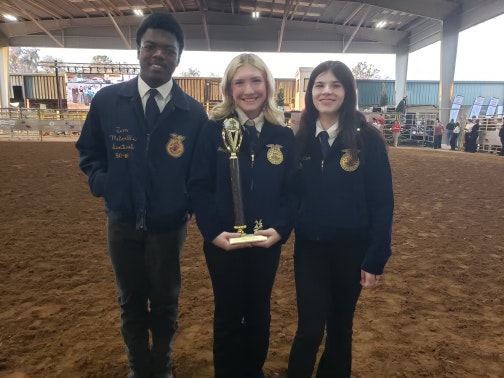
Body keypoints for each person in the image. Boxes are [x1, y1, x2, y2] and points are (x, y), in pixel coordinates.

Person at [75, 12, 207, 378]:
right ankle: (138, 367)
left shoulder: (193, 114)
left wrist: (184, 205)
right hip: (121, 223)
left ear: (179, 57)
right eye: (150, 46)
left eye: (168, 49)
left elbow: (199, 173)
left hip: (168, 228)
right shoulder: (107, 102)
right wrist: (104, 184)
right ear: (138, 51)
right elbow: (89, 152)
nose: (158, 55)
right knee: (130, 300)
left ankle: (161, 365)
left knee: (165, 302)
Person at [188, 53, 296, 378]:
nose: (249, 89)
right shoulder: (212, 132)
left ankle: (253, 371)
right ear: (229, 89)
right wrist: (212, 232)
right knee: (228, 313)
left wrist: (281, 229)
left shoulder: (284, 136)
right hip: (224, 242)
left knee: (260, 312)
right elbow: (198, 185)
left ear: (268, 85)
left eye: (256, 80)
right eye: (240, 82)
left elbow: (293, 192)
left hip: (267, 241)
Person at [287, 61, 394, 378]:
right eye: (319, 85)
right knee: (309, 328)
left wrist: (376, 257)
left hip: (352, 252)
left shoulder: (368, 141)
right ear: (310, 92)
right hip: (310, 251)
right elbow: (289, 194)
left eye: (335, 85)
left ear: (348, 92)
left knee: (340, 328)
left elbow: (382, 202)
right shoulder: (301, 139)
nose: (327, 91)